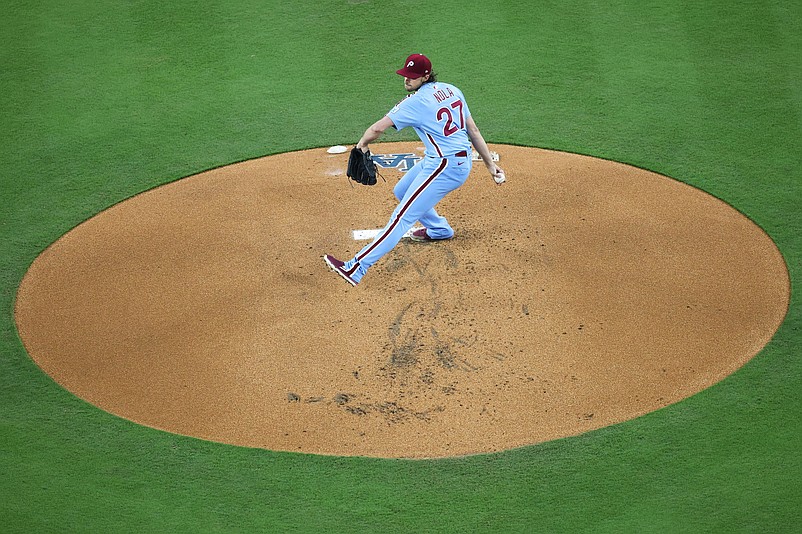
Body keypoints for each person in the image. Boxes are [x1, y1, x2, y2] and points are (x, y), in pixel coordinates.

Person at [324, 53, 505, 286]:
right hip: (445, 160)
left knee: (402, 217)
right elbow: (474, 130)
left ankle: (356, 267)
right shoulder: (452, 90)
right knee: (402, 190)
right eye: (405, 75)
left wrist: (362, 145)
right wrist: (490, 165)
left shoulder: (416, 102)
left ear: (426, 76)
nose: (407, 80)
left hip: (445, 166)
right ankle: (439, 230)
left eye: (412, 76)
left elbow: (379, 128)